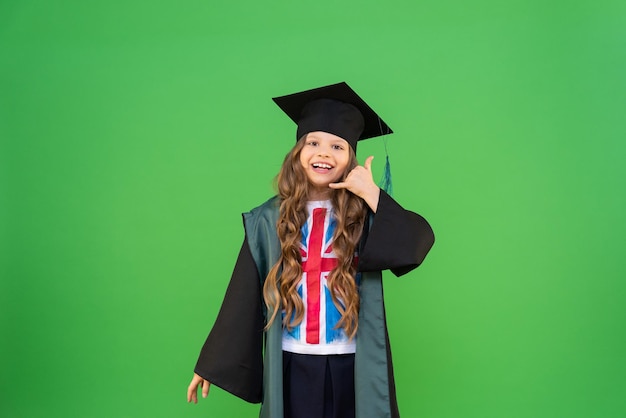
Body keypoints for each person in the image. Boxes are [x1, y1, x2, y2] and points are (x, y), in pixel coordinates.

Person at [186, 82, 435, 418]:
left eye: (338, 146)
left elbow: (415, 243)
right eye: (313, 143)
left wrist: (372, 193)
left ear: (351, 159)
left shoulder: (363, 216)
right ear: (298, 153)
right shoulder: (270, 219)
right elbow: (243, 291)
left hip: (352, 364)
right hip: (292, 361)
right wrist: (212, 365)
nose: (324, 153)